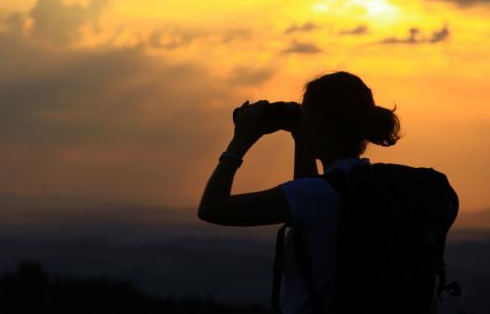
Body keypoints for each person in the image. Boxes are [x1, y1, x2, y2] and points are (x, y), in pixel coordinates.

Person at [196, 70, 458, 313]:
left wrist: (238, 143)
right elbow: (309, 202)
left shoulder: (318, 195)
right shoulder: (360, 189)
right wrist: (300, 135)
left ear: (320, 124)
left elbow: (212, 208)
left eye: (306, 114)